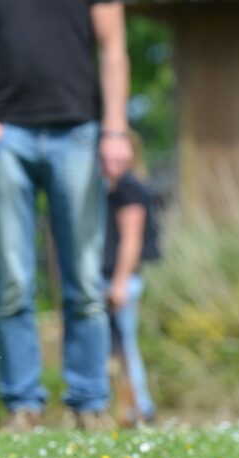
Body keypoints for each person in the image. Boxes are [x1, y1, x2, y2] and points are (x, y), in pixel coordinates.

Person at [0, 0, 134, 431]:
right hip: (5, 139)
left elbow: (114, 49)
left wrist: (114, 129)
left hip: (77, 134)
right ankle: (22, 406)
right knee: (13, 279)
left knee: (85, 279)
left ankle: (90, 403)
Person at [103, 133, 160, 427]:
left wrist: (119, 283)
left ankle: (139, 409)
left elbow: (131, 241)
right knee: (114, 350)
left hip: (120, 281)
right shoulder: (111, 188)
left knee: (125, 348)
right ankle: (126, 409)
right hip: (110, 279)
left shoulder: (129, 189)